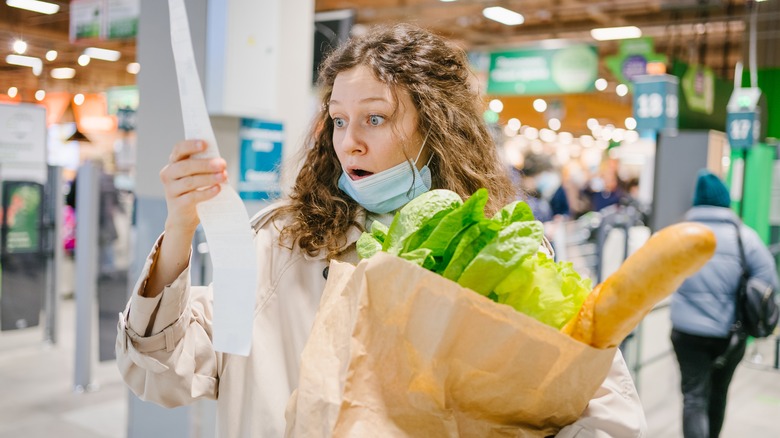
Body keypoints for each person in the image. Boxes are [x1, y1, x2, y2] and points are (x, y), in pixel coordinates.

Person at [116, 24, 646, 437]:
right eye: (339, 121)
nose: (349, 144)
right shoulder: (284, 244)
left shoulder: (500, 252)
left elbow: (605, 411)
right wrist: (180, 229)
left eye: (375, 118)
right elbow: (164, 371)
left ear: (437, 128)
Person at [670, 169, 778, 438]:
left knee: (694, 397)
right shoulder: (745, 237)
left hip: (686, 333)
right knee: (718, 394)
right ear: (725, 200)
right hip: (729, 335)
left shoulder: (677, 235)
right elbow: (769, 283)